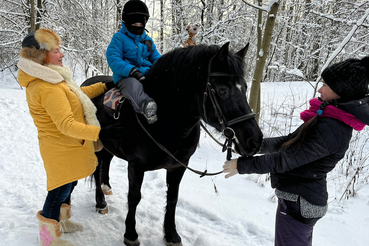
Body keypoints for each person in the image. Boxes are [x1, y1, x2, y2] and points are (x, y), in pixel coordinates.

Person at [223, 56, 369, 246]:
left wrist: (241, 165)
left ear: (341, 92)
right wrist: (255, 146)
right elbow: (288, 142)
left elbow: (286, 159)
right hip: (298, 199)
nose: (320, 89)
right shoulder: (328, 118)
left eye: (326, 85)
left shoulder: (332, 128)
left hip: (300, 204)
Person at [18, 28, 125, 246]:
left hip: (69, 146)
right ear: (41, 55)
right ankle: (48, 239)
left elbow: (78, 95)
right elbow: (66, 124)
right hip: (61, 147)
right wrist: (101, 132)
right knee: (58, 191)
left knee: (67, 186)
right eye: (57, 50)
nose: (62, 54)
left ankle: (63, 222)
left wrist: (106, 85)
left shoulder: (54, 80)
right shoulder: (47, 87)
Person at [106, 0, 161, 124]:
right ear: (127, 20)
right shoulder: (119, 38)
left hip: (147, 74)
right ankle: (146, 107)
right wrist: (132, 71)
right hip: (126, 77)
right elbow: (114, 59)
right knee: (133, 86)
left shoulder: (148, 41)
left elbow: (157, 58)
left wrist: (162, 68)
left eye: (140, 20)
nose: (137, 23)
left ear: (145, 21)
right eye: (134, 20)